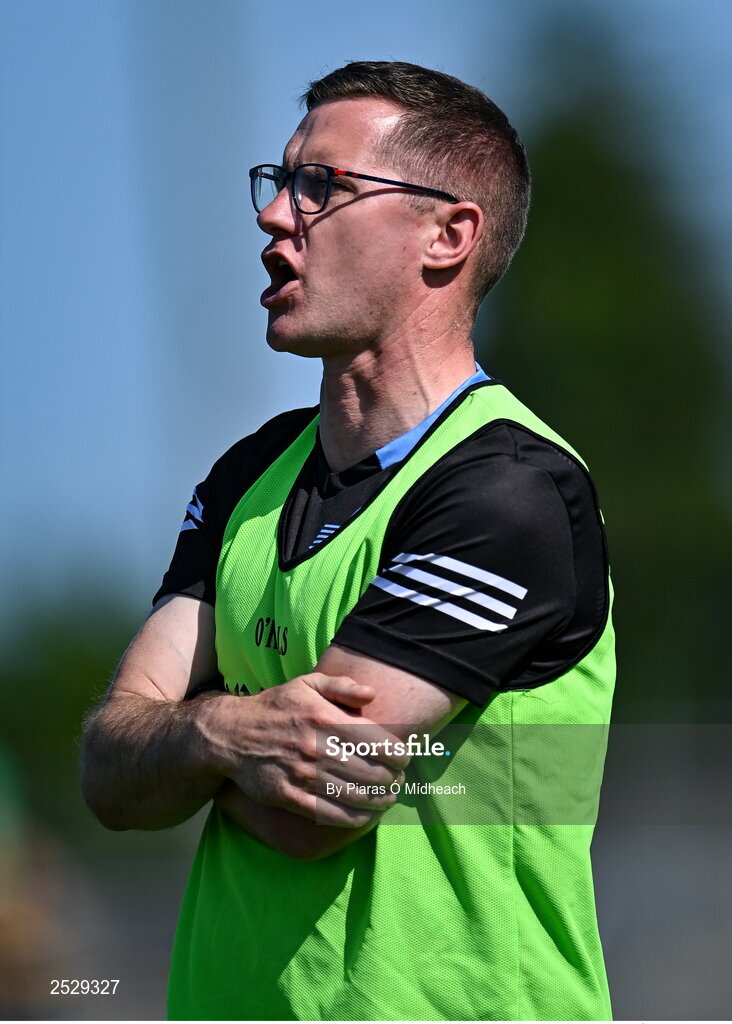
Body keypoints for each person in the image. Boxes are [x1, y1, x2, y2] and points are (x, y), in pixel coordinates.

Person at [81, 60, 615, 1021]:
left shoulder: (510, 492)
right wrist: (226, 731)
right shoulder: (249, 476)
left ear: (447, 235)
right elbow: (109, 772)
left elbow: (312, 810)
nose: (274, 215)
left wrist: (183, 742)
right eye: (279, 180)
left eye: (321, 186)